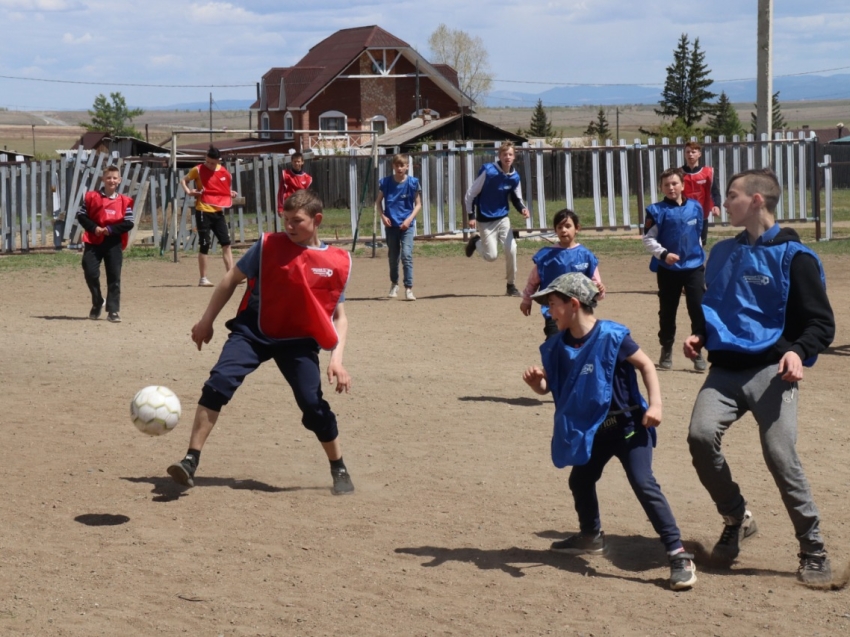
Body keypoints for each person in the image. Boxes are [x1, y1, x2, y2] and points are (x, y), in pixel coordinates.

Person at [683, 169, 835, 585]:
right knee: (699, 436)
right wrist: (701, 336)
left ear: (756, 201)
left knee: (779, 454)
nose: (722, 203)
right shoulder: (723, 252)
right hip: (726, 370)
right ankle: (737, 518)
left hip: (773, 371)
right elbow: (720, 310)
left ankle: (813, 549)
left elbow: (821, 325)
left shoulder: (796, 258)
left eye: (730, 195)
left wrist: (798, 353)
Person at [167, 190, 355, 495]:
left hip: (298, 340)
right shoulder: (268, 246)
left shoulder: (335, 262)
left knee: (312, 405)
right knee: (219, 382)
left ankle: (338, 466)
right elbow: (230, 280)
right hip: (253, 331)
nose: (289, 227)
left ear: (317, 220)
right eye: (285, 220)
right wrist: (206, 321)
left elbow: (339, 317)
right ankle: (190, 460)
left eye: (297, 221)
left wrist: (337, 358)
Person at [522, 273, 696, 591]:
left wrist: (655, 404)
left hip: (630, 427)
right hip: (595, 431)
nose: (549, 312)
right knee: (581, 480)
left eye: (553, 304)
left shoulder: (612, 336)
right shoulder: (560, 346)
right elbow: (555, 387)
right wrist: (539, 385)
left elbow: (645, 365)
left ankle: (678, 554)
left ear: (574, 304)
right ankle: (591, 537)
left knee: (644, 483)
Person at [642, 167, 706, 372]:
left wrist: (697, 253)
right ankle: (666, 348)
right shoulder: (656, 210)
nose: (671, 188)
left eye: (675, 183)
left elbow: (698, 236)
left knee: (698, 309)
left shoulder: (696, 207)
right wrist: (663, 254)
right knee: (668, 311)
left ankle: (697, 350)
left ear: (683, 185)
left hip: (694, 267)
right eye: (666, 184)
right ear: (661, 187)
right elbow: (648, 239)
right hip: (668, 269)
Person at [520, 209, 605, 338]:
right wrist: (527, 300)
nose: (563, 230)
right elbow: (533, 281)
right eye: (559, 227)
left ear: (577, 228)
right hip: (554, 313)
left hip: (580, 313)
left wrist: (599, 290)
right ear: (555, 230)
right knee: (554, 343)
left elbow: (595, 284)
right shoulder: (546, 256)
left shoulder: (586, 256)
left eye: (568, 226)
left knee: (581, 345)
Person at [463, 141, 530, 297]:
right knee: (491, 256)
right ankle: (475, 241)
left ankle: (511, 285)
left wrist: (523, 209)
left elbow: (516, 198)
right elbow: (470, 194)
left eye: (510, 154)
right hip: (485, 219)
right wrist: (471, 215)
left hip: (502, 219)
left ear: (514, 157)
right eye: (504, 154)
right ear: (499, 156)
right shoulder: (489, 171)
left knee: (511, 249)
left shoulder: (514, 177)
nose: (507, 157)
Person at [76, 164, 134, 323]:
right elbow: (81, 216)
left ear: (119, 180)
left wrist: (110, 229)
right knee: (90, 271)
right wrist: (94, 228)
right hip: (93, 240)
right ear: (103, 178)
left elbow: (129, 223)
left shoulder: (124, 201)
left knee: (114, 277)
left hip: (113, 242)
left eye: (115, 178)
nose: (111, 180)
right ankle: (97, 301)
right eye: (108, 177)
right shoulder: (91, 197)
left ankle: (113, 310)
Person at [181, 146, 238, 287]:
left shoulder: (223, 171)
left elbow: (221, 189)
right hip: (202, 210)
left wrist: (230, 193)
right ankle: (203, 278)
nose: (210, 165)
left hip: (217, 211)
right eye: (208, 162)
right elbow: (184, 180)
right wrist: (189, 191)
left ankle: (231, 276)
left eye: (213, 163)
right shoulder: (198, 169)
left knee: (226, 243)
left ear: (218, 161)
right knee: (205, 243)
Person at [375, 154, 422, 301]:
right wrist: (383, 216)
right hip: (391, 226)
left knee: (406, 255)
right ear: (393, 167)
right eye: (397, 166)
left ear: (407, 166)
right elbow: (378, 202)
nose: (399, 168)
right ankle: (394, 283)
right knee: (393, 256)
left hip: (406, 226)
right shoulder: (386, 183)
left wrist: (409, 219)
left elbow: (418, 204)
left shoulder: (413, 183)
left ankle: (409, 288)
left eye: (402, 166)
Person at [681, 141, 721, 246]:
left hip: (702, 215)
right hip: (683, 215)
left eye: (693, 152)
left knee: (700, 244)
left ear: (699, 154)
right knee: (684, 243)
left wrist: (716, 205)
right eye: (688, 152)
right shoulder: (679, 173)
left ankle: (699, 262)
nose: (690, 154)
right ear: (684, 154)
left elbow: (715, 191)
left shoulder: (708, 172)